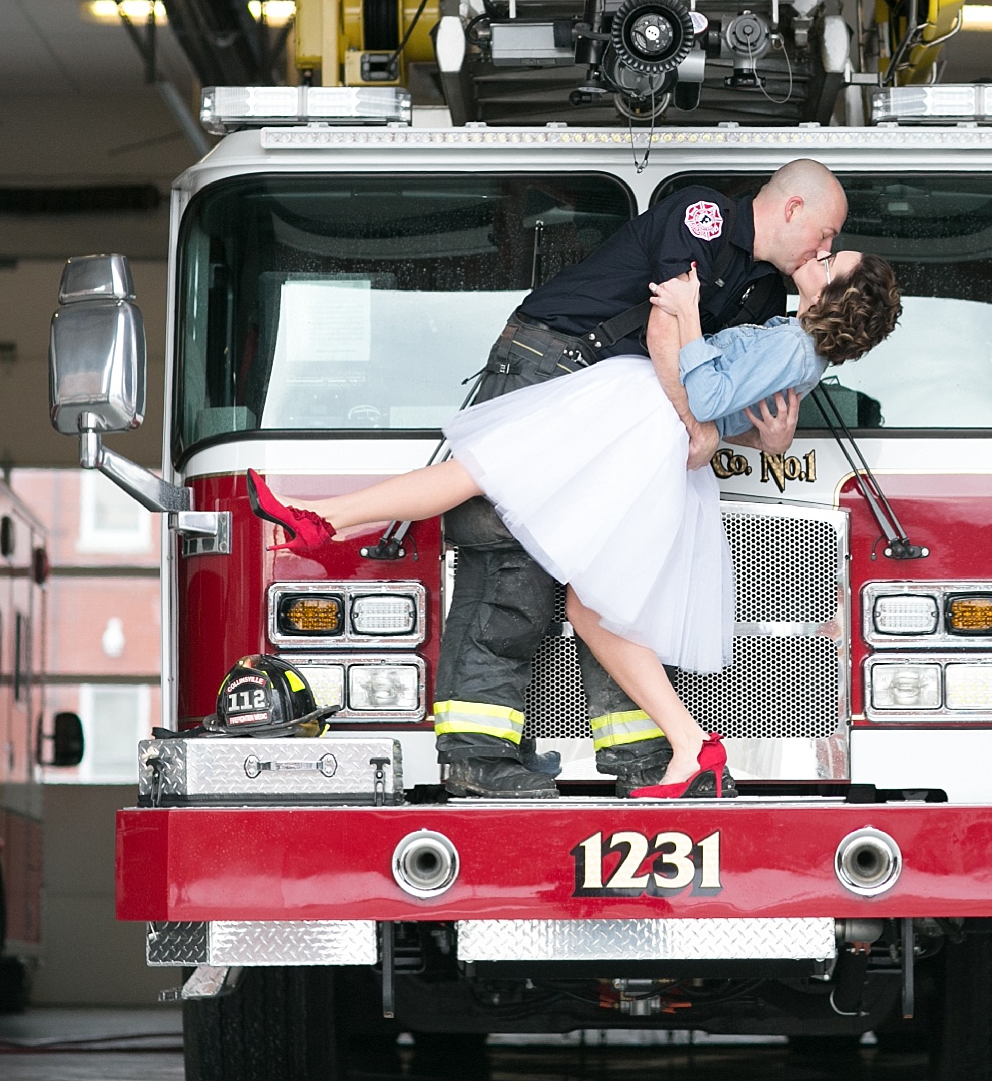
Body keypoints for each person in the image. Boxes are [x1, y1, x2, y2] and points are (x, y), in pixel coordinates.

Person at [250, 249, 903, 796]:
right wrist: (766, 442)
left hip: (636, 420)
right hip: (639, 425)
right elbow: (727, 413)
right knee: (550, 554)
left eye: (829, 262)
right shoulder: (800, 350)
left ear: (837, 298)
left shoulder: (793, 344)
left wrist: (686, 312)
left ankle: (322, 520)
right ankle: (691, 745)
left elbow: (703, 397)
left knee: (489, 479)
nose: (818, 255)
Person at [354, 160, 851, 798]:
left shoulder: (765, 294)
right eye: (827, 234)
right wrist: (694, 426)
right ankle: (478, 758)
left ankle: (646, 759)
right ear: (792, 210)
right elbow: (665, 331)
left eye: (833, 252)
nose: (825, 248)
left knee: (623, 583)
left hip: (623, 413)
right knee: (514, 568)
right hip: (552, 367)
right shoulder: (704, 216)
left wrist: (768, 437)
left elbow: (715, 388)